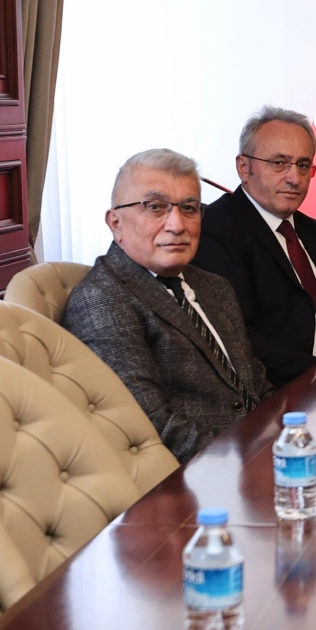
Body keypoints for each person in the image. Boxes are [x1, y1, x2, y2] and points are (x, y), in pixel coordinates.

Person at [64, 149, 271, 462]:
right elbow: (156, 429)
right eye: (155, 207)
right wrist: (255, 461)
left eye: (189, 208)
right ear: (115, 223)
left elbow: (257, 385)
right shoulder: (103, 300)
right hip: (199, 477)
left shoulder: (215, 287)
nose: (177, 225)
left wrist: (292, 437)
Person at [195, 107, 316, 388]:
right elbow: (238, 339)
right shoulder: (216, 229)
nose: (294, 178)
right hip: (287, 389)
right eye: (279, 163)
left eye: (303, 165)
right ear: (244, 167)